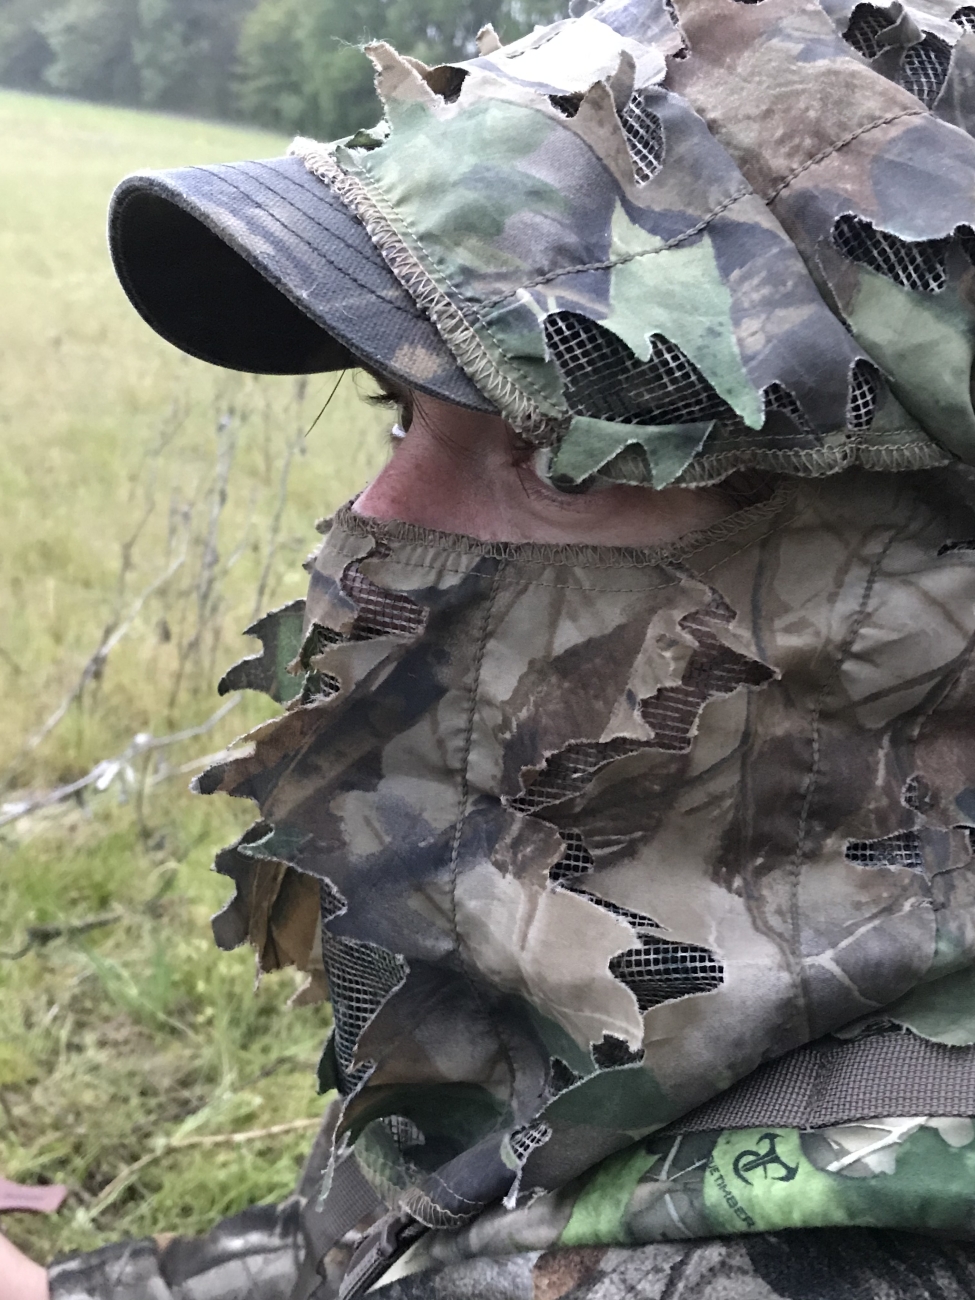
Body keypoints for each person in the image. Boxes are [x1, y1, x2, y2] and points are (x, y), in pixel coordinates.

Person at [13, 0, 975, 1295]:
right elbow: (385, 1239)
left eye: (564, 460)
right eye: (396, 415)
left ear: (913, 579)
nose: (371, 522)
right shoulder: (668, 947)